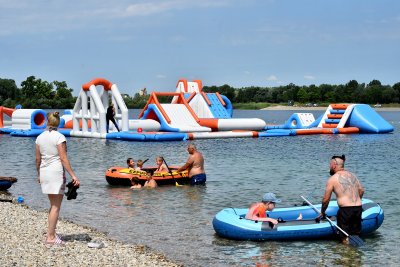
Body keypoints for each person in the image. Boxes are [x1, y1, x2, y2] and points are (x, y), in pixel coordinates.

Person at [35, 112, 80, 246]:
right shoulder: (60, 137)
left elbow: (38, 159)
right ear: (58, 123)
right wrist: (73, 175)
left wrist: (39, 174)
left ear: (47, 122)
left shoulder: (39, 137)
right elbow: (63, 158)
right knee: (56, 206)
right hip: (56, 174)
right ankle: (50, 237)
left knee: (53, 205)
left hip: (44, 173)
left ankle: (52, 233)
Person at [318, 155, 365, 244]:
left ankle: (345, 256)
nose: (329, 166)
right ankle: (356, 256)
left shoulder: (332, 179)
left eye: (330, 164)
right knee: (355, 235)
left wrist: (322, 212)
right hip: (358, 208)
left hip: (346, 211)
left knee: (344, 237)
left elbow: (325, 199)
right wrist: (356, 201)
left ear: (334, 165)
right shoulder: (353, 175)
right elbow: (362, 190)